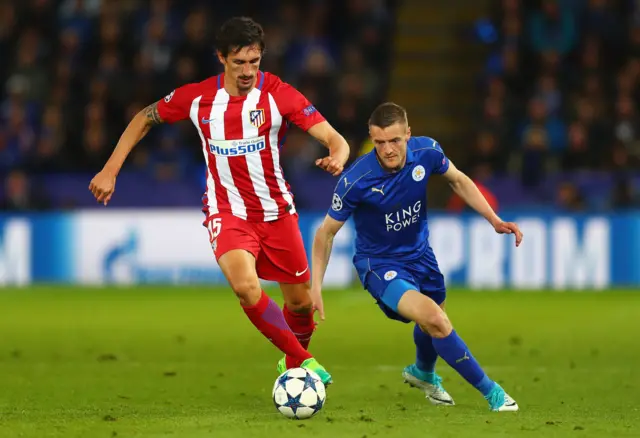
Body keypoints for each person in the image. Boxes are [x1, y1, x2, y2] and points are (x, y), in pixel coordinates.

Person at [88, 17, 350, 385]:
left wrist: (337, 155)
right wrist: (110, 170)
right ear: (221, 58)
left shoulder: (279, 95)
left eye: (254, 62)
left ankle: (293, 364)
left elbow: (335, 138)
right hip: (227, 211)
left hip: (276, 212)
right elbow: (143, 118)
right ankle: (304, 361)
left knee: (300, 305)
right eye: (239, 62)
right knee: (245, 287)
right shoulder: (197, 98)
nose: (247, 71)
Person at [310, 102, 523, 410]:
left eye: (395, 140)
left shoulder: (427, 153)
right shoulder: (356, 180)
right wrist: (316, 286)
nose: (388, 150)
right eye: (379, 142)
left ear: (408, 134)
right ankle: (493, 394)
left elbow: (459, 180)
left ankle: (422, 372)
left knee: (433, 322)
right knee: (436, 319)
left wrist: (494, 220)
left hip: (422, 257)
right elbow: (325, 233)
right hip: (379, 266)